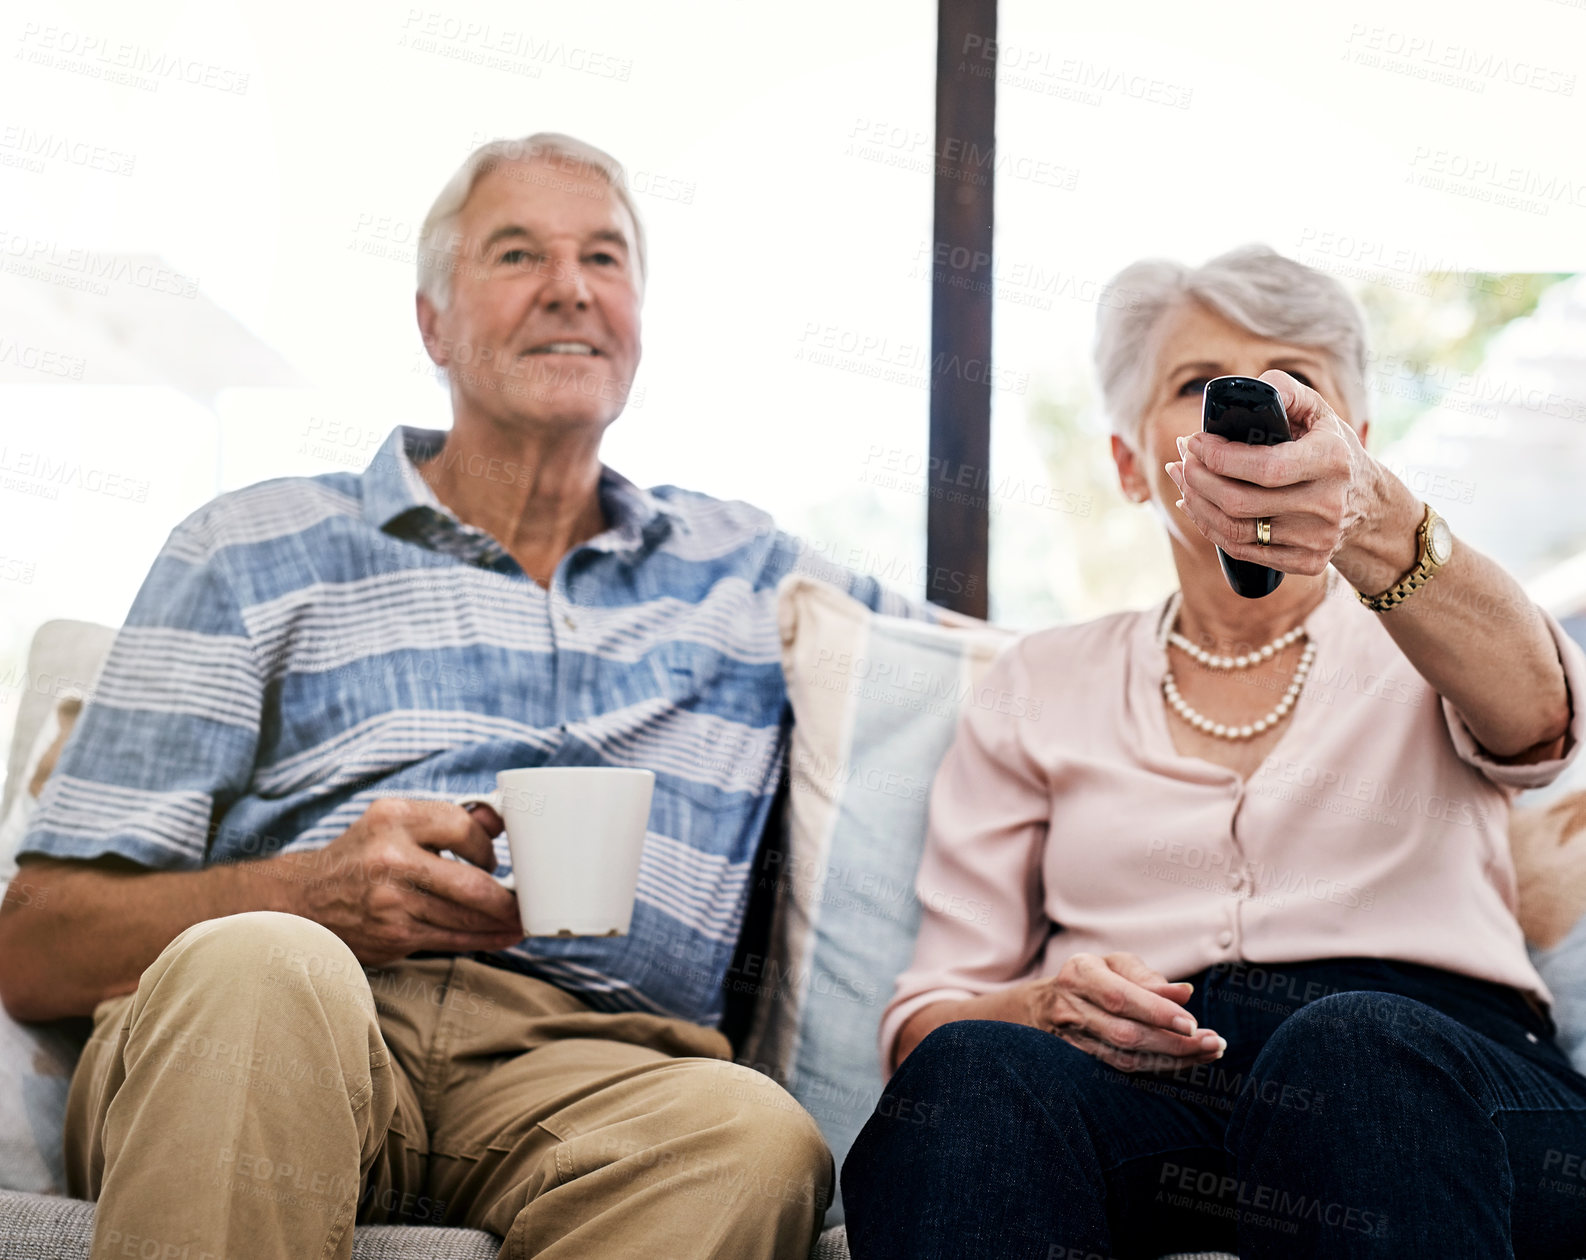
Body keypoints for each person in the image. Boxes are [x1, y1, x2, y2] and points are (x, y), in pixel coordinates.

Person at [0, 133, 921, 1260]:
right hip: (288, 1014)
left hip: (589, 1066)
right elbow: (34, 944)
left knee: (748, 1132)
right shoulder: (247, 546)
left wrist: (1203, 525)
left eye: (605, 257)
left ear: (637, 318)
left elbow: (1024, 677)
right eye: (517, 253)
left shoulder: (757, 576)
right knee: (262, 966)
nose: (570, 287)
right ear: (431, 322)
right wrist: (310, 895)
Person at [841, 245, 1586, 1259]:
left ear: (1356, 441)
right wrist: (1041, 1005)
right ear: (1126, 463)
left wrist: (1371, 523)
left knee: (1349, 1052)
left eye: (1296, 386)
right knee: (970, 1074)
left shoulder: (1427, 626)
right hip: (1142, 1089)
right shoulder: (1037, 685)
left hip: (1436, 1071)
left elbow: (1537, 715)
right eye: (1199, 387)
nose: (1254, 415)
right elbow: (927, 1017)